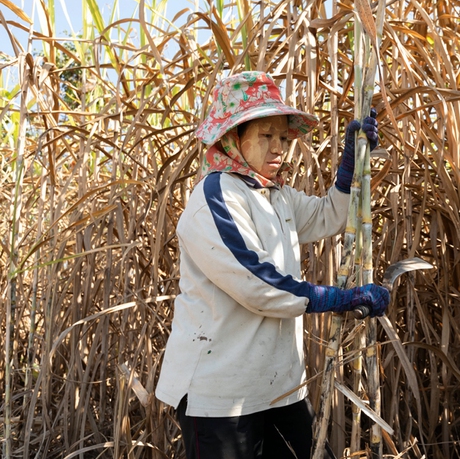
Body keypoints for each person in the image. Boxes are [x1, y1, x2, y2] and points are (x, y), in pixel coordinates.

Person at [155, 71, 389, 459]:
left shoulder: (274, 194)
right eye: (266, 136)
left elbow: (329, 216)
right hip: (221, 395)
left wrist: (351, 166)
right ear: (233, 136)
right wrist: (339, 299)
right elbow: (257, 284)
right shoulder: (215, 196)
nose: (278, 147)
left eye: (283, 137)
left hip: (279, 387)